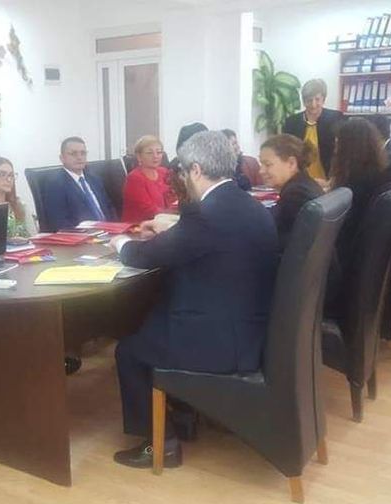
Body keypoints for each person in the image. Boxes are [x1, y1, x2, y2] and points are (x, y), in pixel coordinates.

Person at [108, 131, 279, 468]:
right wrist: (172, 230)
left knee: (129, 350)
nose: (183, 179)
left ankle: (160, 444)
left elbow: (144, 256)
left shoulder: (206, 214)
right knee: (152, 317)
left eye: (184, 172)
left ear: (196, 170)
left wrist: (121, 244)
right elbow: (200, 241)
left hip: (221, 342)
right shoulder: (247, 203)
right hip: (251, 328)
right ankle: (182, 412)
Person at [325, 119, 389, 318]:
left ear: (350, 148)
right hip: (362, 263)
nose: (335, 150)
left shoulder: (355, 185)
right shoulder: (375, 175)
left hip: (344, 265)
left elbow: (339, 229)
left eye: (339, 144)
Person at [260, 134, 324, 249]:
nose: (261, 171)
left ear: (291, 163)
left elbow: (277, 242)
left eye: (267, 164)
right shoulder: (305, 184)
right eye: (261, 164)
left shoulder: (296, 195)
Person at [43, 137, 116, 232]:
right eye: (73, 153)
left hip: (109, 232)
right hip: (84, 236)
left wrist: (116, 229)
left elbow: (109, 208)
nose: (79, 157)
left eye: (83, 153)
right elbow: (60, 223)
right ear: (62, 158)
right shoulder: (55, 185)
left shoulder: (94, 179)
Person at [282, 78, 345, 183]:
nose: (313, 104)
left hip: (328, 180)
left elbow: (342, 152)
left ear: (323, 99)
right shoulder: (292, 122)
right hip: (300, 180)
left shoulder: (335, 118)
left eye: (317, 99)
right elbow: (287, 152)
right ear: (304, 101)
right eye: (309, 100)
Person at [121, 135, 173, 223]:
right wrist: (174, 215)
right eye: (149, 153)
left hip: (163, 221)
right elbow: (148, 210)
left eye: (159, 152)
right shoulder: (134, 178)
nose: (155, 156)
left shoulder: (164, 172)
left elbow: (173, 198)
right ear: (139, 156)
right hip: (139, 226)